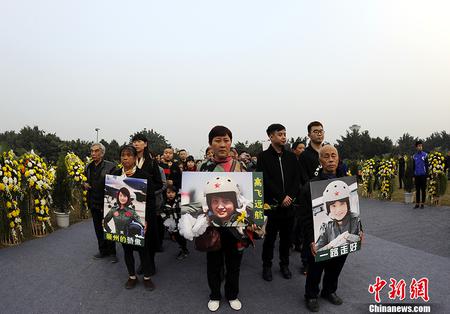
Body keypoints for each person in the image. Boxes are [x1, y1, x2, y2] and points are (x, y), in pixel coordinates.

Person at [183, 125, 249, 312]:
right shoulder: (203, 167)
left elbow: (245, 196)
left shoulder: (240, 167)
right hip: (211, 225)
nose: (222, 144)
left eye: (226, 140)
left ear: (231, 142)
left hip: (235, 226)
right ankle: (214, 295)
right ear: (210, 144)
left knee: (234, 263)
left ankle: (232, 294)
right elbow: (194, 196)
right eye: (217, 140)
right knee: (213, 262)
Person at [299, 145, 364, 312]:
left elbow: (354, 210)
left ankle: (329, 290)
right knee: (316, 268)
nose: (330, 159)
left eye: (333, 156)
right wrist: (311, 240)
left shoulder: (347, 182)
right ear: (320, 160)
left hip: (345, 232)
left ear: (338, 158)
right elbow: (305, 217)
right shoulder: (311, 186)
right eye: (326, 156)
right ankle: (311, 295)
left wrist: (359, 230)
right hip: (319, 236)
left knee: (337, 264)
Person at [257, 123, 301, 282]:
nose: (283, 137)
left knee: (286, 238)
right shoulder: (263, 157)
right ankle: (266, 266)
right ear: (271, 136)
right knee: (269, 239)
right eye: (280, 134)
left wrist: (290, 196)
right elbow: (264, 180)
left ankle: (284, 265)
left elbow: (297, 179)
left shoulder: (290, 157)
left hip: (289, 206)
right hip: (272, 206)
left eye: (284, 134)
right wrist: (281, 197)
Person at [111, 145, 156, 291]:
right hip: (122, 221)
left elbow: (151, 202)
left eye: (129, 155)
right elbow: (112, 199)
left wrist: (146, 220)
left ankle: (147, 277)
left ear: (135, 158)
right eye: (123, 155)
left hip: (140, 221)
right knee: (127, 249)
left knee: (144, 250)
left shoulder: (144, 176)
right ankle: (131, 276)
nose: (125, 158)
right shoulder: (116, 176)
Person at [132, 134, 164, 275]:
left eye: (139, 141)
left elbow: (159, 184)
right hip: (134, 205)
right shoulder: (130, 161)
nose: (136, 144)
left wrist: (146, 191)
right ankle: (142, 262)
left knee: (149, 235)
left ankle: (150, 263)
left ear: (145, 144)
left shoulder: (151, 162)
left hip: (149, 205)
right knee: (137, 235)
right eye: (134, 141)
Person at [297, 121, 325, 275]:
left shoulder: (326, 152)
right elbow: (303, 179)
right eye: (315, 131)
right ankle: (306, 262)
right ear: (309, 135)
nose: (319, 133)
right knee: (309, 233)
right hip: (310, 198)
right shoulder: (305, 155)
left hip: (326, 198)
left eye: (321, 131)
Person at [84, 143, 117, 262]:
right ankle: (103, 250)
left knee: (109, 227)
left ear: (102, 153)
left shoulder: (111, 167)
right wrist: (84, 184)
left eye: (96, 151)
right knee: (98, 228)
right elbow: (85, 181)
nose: (93, 153)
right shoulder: (88, 167)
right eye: (92, 151)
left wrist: (108, 203)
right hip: (93, 201)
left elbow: (115, 186)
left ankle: (112, 252)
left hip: (107, 203)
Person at [315, 181, 361, 251]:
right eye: (333, 206)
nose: (338, 210)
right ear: (328, 208)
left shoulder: (356, 220)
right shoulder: (326, 226)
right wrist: (331, 245)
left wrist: (347, 237)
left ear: (348, 204)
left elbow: (362, 241)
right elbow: (317, 251)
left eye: (342, 204)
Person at [161, 185, 189, 260]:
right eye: (168, 192)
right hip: (172, 225)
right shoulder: (164, 204)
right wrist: (167, 222)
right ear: (165, 193)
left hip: (181, 224)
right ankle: (182, 248)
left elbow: (186, 211)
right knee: (176, 238)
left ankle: (184, 250)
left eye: (173, 192)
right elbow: (163, 213)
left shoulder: (180, 201)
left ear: (176, 193)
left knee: (182, 238)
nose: (170, 194)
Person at [412, 141, 428, 209]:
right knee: (417, 190)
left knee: (423, 190)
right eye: (418, 146)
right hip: (417, 175)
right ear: (416, 147)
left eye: (421, 146)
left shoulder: (425, 155)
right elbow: (413, 167)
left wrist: (427, 175)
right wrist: (413, 175)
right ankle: (417, 203)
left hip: (423, 175)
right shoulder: (414, 156)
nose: (420, 147)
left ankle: (422, 203)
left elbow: (427, 166)